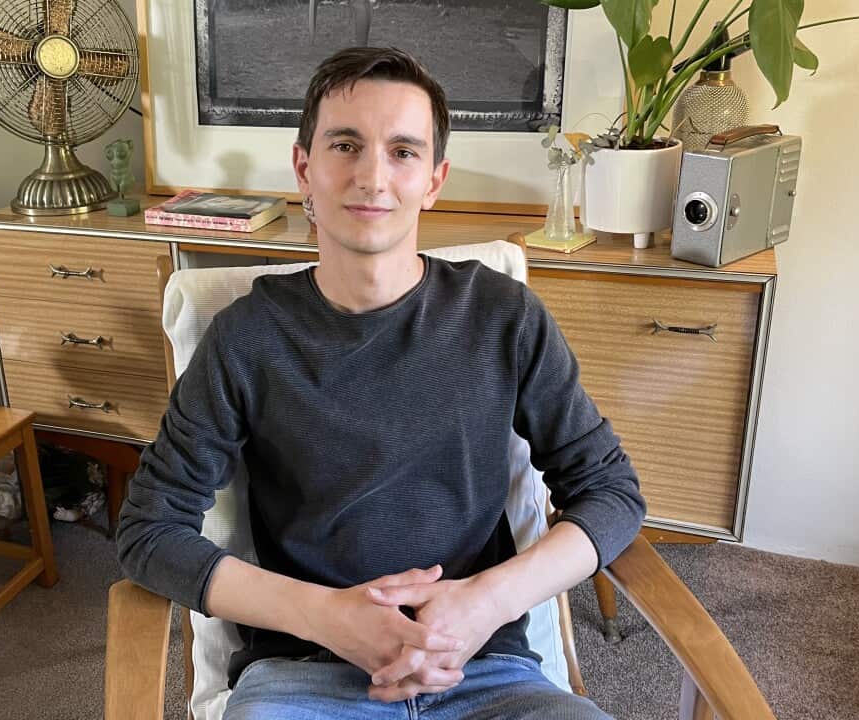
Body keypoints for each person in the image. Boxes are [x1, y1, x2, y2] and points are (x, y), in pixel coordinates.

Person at [116, 46, 646, 719]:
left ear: (434, 179)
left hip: (486, 670)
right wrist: (327, 617)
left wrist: (485, 602)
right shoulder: (245, 338)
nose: (372, 176)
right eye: (345, 145)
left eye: (402, 151)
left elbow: (610, 491)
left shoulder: (503, 318)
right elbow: (149, 531)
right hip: (302, 680)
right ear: (304, 170)